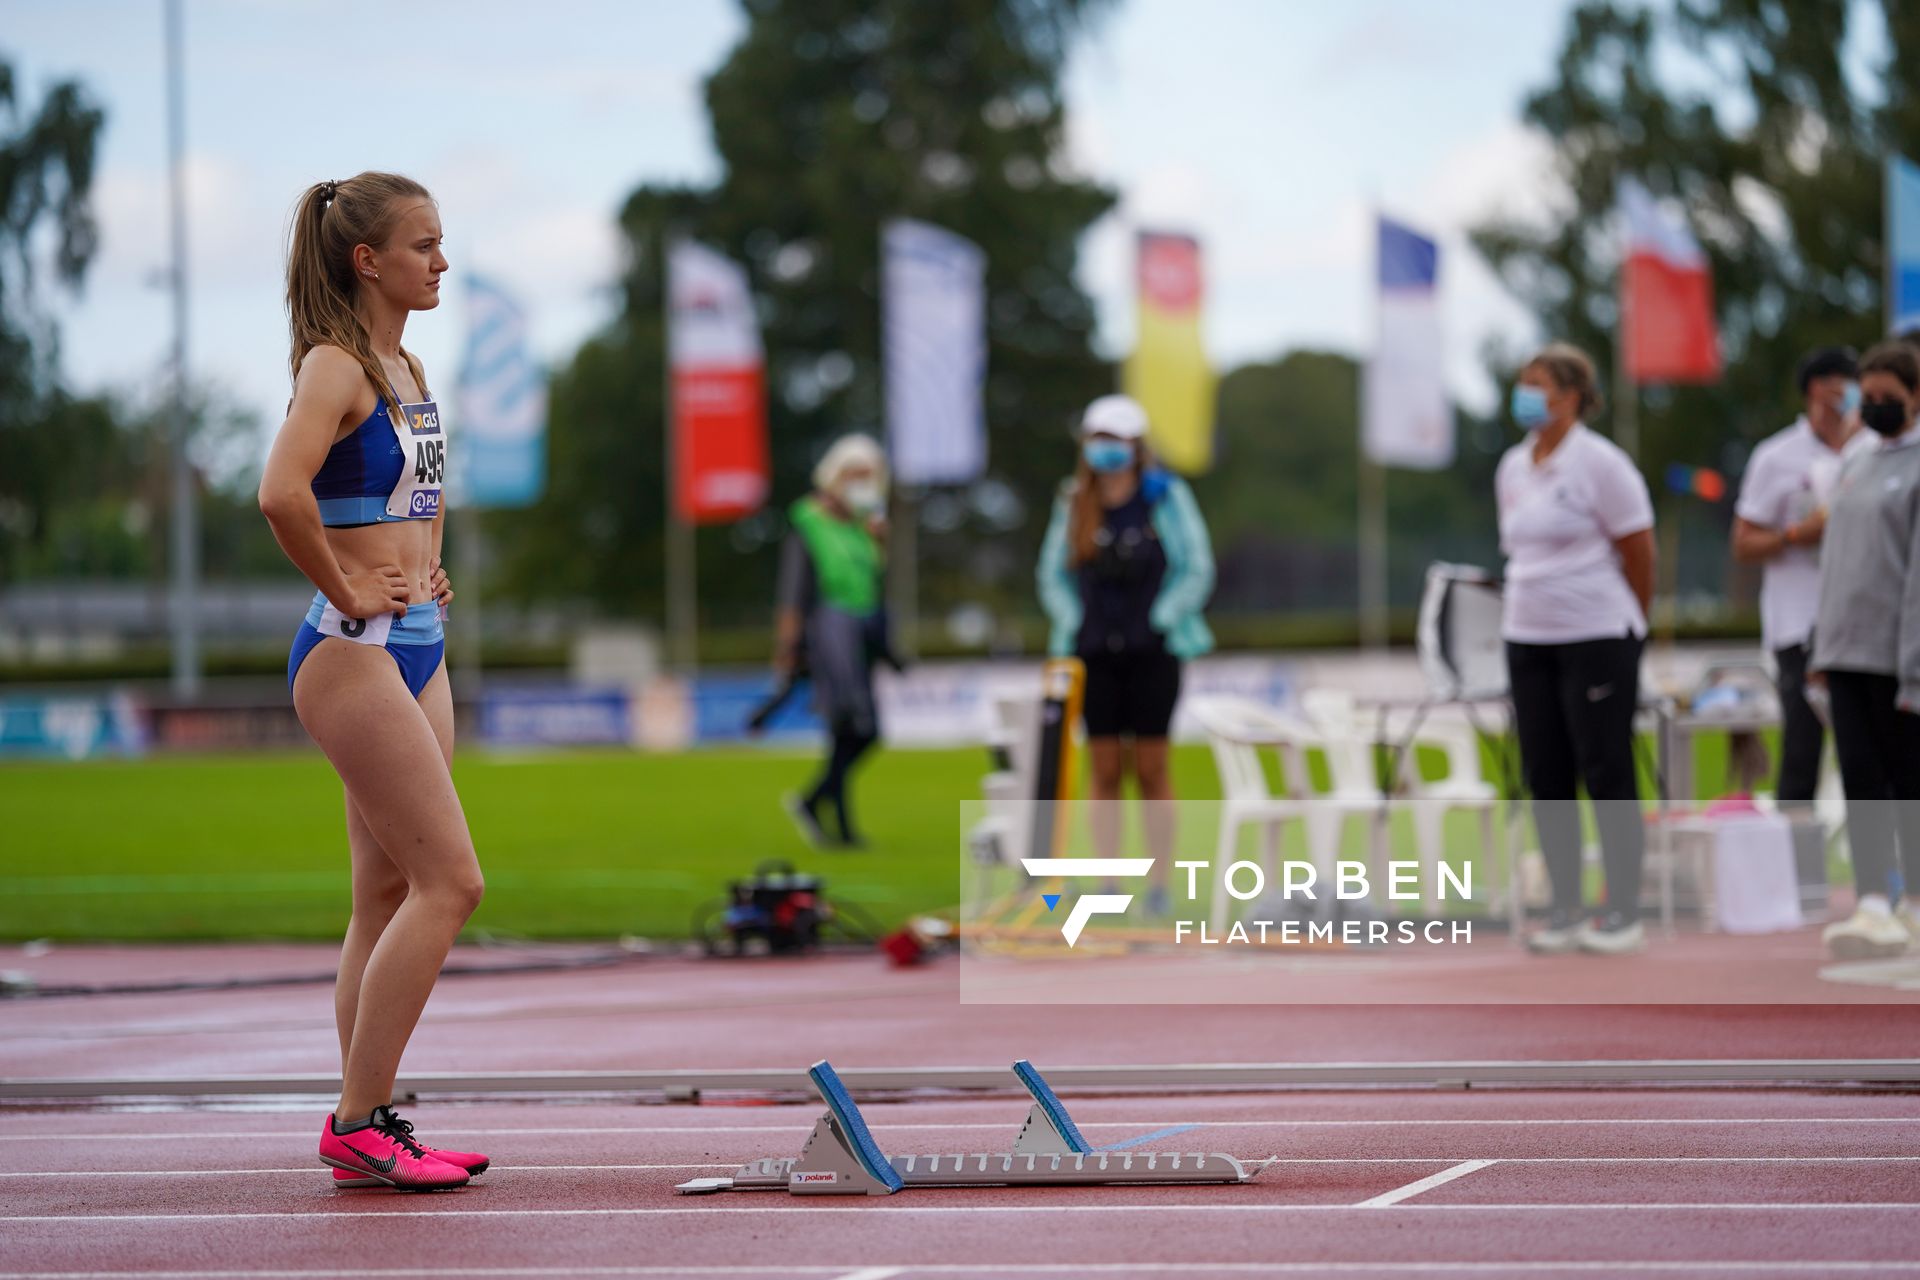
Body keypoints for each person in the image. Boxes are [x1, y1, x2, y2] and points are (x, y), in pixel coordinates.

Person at [258, 173, 487, 1191]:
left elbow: (417, 492)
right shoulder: (334, 366)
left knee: (385, 889)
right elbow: (279, 491)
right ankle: (359, 1118)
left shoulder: (406, 361)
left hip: (418, 640)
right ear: (369, 260)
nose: (441, 262)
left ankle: (371, 1111)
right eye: (424, 246)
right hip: (352, 651)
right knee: (454, 882)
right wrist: (347, 579)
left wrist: (429, 560)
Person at [1496, 344, 1656, 955]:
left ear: (1570, 396)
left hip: (1596, 634)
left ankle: (1623, 909)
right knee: (1546, 773)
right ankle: (1565, 905)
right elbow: (1518, 546)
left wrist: (1632, 626)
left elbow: (1639, 551)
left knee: (1607, 768)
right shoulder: (1512, 466)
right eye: (1522, 381)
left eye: (1536, 383)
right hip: (1527, 635)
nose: (1525, 393)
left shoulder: (1601, 464)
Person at [1037, 394, 1215, 914]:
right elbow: (1052, 573)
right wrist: (1072, 621)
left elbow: (1196, 566)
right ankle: (1110, 881)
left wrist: (1163, 618)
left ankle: (1159, 883)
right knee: (1105, 767)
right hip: (1094, 653)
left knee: (1152, 767)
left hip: (1153, 651)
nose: (1105, 451)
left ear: (1136, 447)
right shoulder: (1073, 500)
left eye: (1115, 441)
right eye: (1097, 440)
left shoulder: (1165, 498)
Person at [1809, 339, 1920, 958]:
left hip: (1898, 657)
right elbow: (1835, 560)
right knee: (1860, 779)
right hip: (1846, 651)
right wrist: (1822, 648)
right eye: (1867, 397)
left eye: (1888, 399)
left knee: (1907, 783)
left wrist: (1913, 669)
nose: (1875, 408)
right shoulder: (1856, 459)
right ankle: (1874, 899)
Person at [1732, 346, 1865, 806]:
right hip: (1799, 623)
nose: (1850, 395)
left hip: (1866, 623)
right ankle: (1801, 876)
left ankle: (1884, 874)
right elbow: (1744, 543)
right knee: (1802, 755)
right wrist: (1795, 534)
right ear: (1815, 389)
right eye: (1841, 383)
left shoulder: (1871, 447)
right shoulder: (1777, 457)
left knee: (1869, 758)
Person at [775, 434, 899, 849]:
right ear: (835, 476)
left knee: (856, 733)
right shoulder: (809, 523)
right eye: (855, 475)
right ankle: (829, 816)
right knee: (850, 728)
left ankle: (823, 810)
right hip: (828, 640)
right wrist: (789, 647)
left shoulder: (865, 529)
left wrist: (880, 539)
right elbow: (793, 593)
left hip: (861, 640)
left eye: (869, 476)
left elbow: (874, 585)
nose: (863, 483)